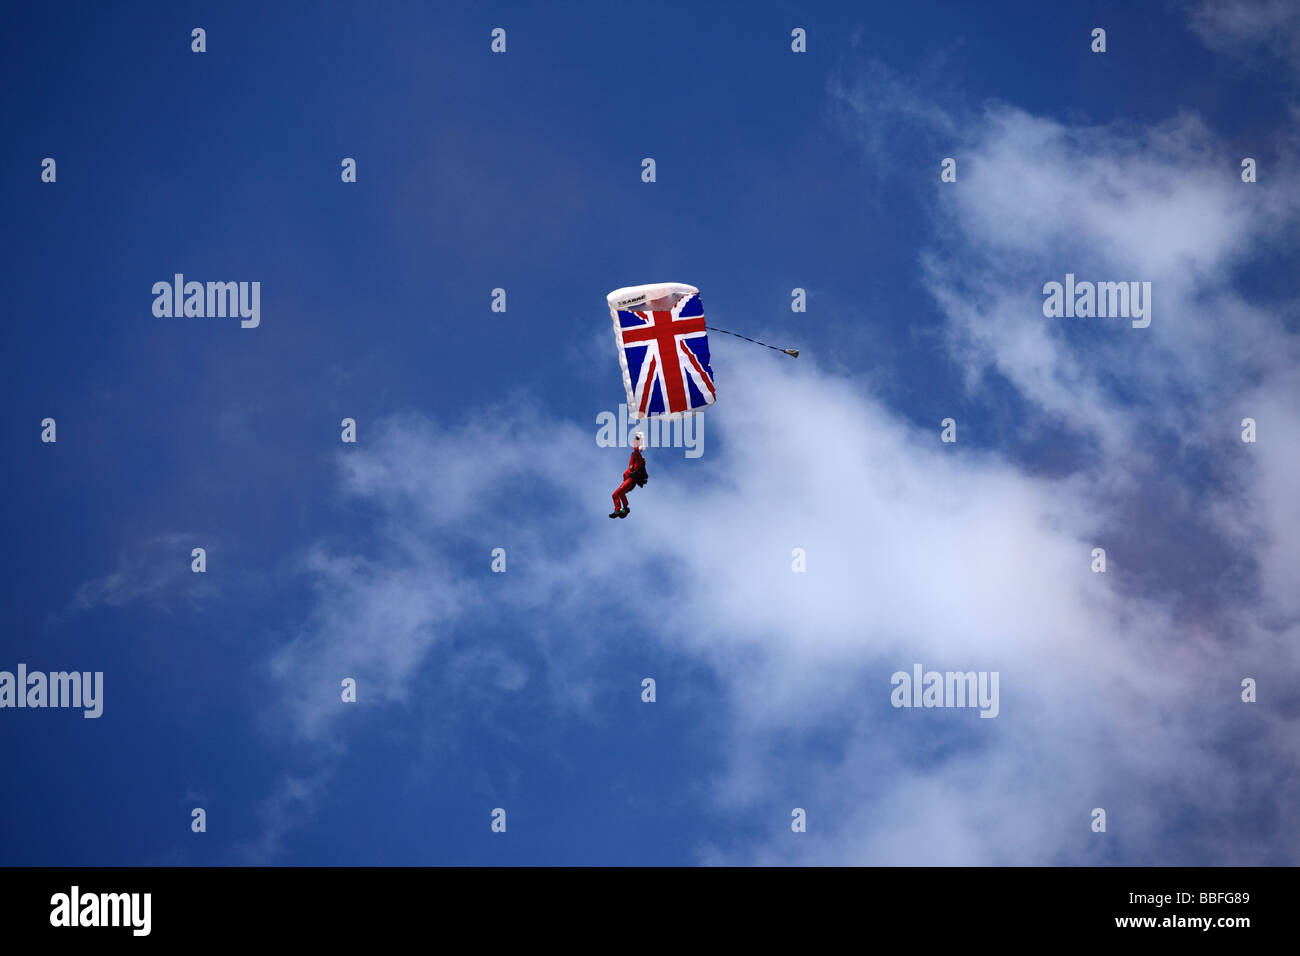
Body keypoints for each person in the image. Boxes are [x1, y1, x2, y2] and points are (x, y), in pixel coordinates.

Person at [610, 431, 648, 518]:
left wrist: (637, 439)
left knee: (615, 494)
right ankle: (625, 508)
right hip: (629, 481)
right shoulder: (633, 463)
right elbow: (634, 453)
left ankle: (618, 510)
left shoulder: (639, 461)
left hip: (630, 481)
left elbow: (635, 450)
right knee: (620, 493)